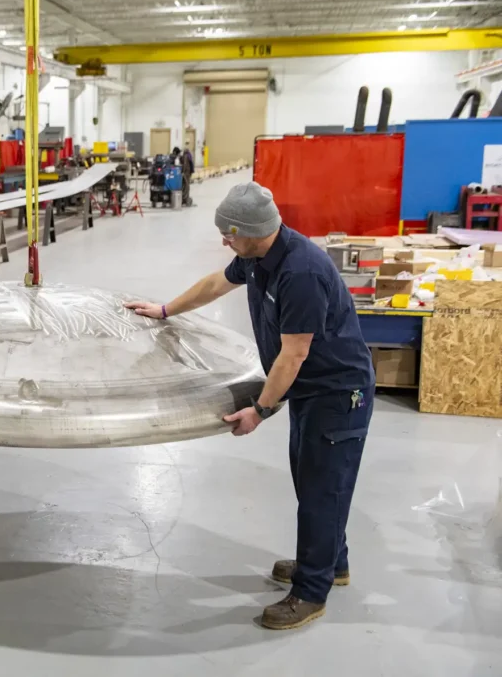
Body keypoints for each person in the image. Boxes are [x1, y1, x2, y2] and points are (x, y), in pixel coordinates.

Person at [125, 182, 374, 631]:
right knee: (312, 480)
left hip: (337, 393)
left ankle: (311, 592)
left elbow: (293, 354)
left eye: (229, 234)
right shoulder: (259, 256)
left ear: (254, 232)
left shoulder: (300, 272)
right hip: (310, 389)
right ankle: (331, 564)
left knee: (322, 490)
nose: (224, 242)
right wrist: (164, 310)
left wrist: (259, 410)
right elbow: (215, 284)